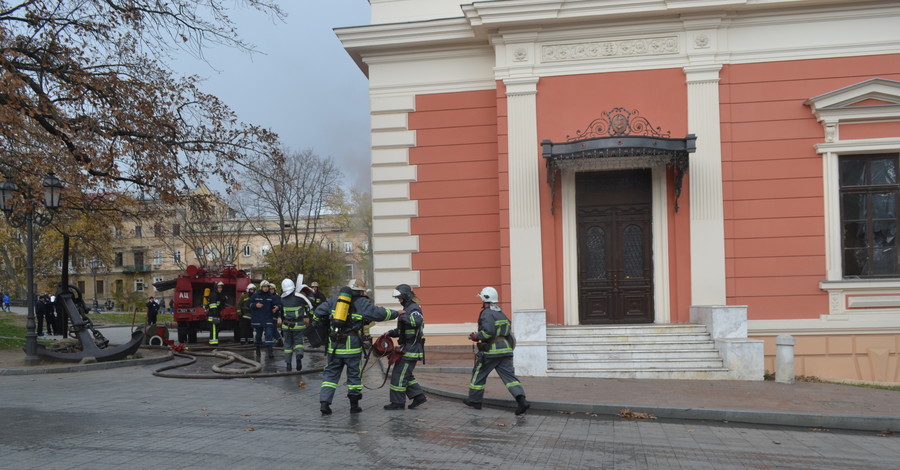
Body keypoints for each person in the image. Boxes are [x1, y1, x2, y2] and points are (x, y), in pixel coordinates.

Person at [313, 279, 401, 415]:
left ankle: (325, 404)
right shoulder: (362, 302)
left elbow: (318, 313)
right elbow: (379, 313)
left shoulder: (334, 299)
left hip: (334, 345)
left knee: (330, 375)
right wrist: (396, 313)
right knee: (354, 376)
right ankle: (354, 406)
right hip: (352, 347)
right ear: (360, 291)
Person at [464, 287, 529, 415]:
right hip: (505, 349)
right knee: (510, 378)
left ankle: (475, 400)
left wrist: (476, 336)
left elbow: (489, 332)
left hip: (491, 351)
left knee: (478, 373)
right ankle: (522, 401)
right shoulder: (500, 312)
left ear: (485, 299)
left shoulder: (486, 313)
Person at [383, 284, 427, 410]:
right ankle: (418, 396)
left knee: (399, 375)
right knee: (405, 374)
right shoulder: (408, 308)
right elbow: (402, 330)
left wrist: (402, 316)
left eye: (400, 298)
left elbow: (417, 321)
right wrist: (391, 333)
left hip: (411, 349)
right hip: (407, 348)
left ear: (406, 296)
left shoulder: (414, 308)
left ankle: (398, 403)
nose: (399, 300)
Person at [278, 276, 313, 372]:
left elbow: (280, 312)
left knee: (288, 345)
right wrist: (307, 291)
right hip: (298, 325)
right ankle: (298, 357)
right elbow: (310, 304)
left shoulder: (282, 299)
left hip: (286, 325)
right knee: (298, 343)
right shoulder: (299, 298)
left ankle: (288, 365)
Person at [248, 280, 281, 360]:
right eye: (264, 287)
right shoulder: (255, 295)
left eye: (267, 287)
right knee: (258, 335)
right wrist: (255, 305)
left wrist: (277, 307)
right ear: (261, 287)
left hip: (268, 318)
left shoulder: (271, 296)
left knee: (269, 334)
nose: (266, 288)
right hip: (258, 318)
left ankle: (270, 352)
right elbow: (249, 304)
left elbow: (278, 304)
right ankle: (258, 349)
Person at [205, 281, 230, 346]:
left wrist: (224, 299)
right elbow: (213, 306)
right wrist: (215, 315)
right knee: (213, 329)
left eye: (221, 288)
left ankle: (214, 341)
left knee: (216, 329)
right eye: (219, 288)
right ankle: (213, 343)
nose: (220, 289)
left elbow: (220, 303)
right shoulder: (214, 295)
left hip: (216, 314)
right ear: (216, 288)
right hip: (213, 315)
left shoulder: (218, 295)